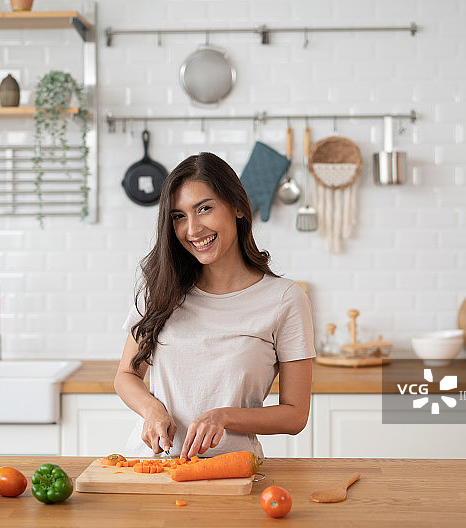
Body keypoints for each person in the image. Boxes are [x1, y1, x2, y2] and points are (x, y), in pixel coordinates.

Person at [114, 152, 315, 460]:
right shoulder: (162, 288)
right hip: (151, 466)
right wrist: (151, 409)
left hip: (231, 471)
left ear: (237, 206)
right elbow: (126, 375)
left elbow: (295, 415)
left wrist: (224, 417)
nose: (192, 230)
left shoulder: (285, 299)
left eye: (204, 208)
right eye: (179, 216)